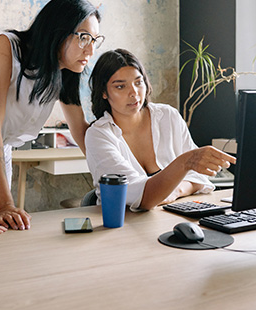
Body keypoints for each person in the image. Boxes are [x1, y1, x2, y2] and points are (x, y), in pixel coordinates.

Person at [0, 0, 105, 229]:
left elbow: (80, 131)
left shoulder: (65, 70)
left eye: (95, 40)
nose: (90, 49)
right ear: (57, 30)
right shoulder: (7, 47)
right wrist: (6, 204)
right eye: (83, 37)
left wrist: (125, 178)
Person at [85, 49, 236, 211]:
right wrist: (185, 163)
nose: (134, 93)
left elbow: (199, 178)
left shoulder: (167, 116)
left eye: (138, 82)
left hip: (172, 216)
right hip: (122, 225)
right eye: (120, 86)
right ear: (103, 93)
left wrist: (176, 190)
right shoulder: (99, 135)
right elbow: (139, 197)